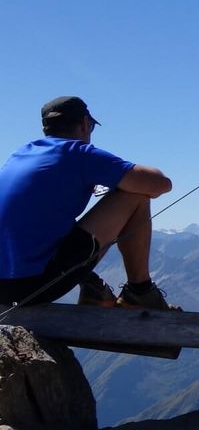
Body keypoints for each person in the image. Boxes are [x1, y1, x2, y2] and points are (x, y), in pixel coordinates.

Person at [0, 96, 179, 310]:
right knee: (135, 196)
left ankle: (93, 288)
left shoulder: (19, 155)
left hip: (6, 285)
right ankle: (140, 292)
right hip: (28, 288)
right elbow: (160, 184)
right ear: (85, 124)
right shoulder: (78, 153)